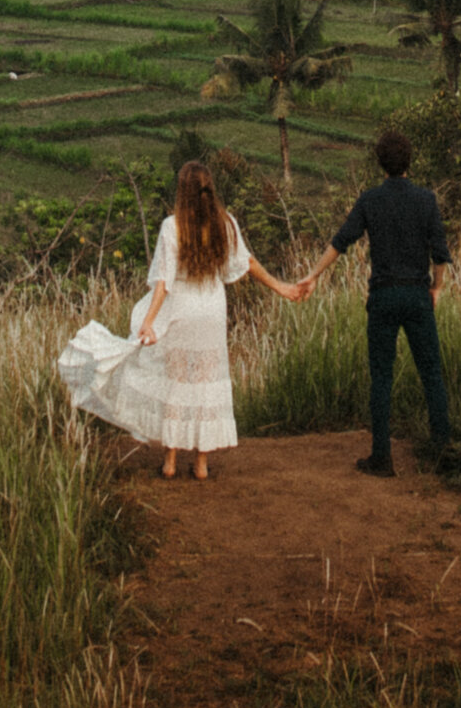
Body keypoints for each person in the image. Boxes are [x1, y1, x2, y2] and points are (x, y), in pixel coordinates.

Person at [56, 162, 305, 480]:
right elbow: (248, 263)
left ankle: (170, 462)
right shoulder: (226, 223)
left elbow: (164, 281)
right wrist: (282, 287)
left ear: (182, 192)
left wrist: (149, 321)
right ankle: (201, 464)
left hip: (181, 310)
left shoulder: (172, 226)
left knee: (176, 383)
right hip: (211, 309)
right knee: (206, 382)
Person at [294, 128, 453, 478]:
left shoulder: (370, 200)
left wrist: (314, 274)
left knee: (381, 376)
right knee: (431, 374)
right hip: (416, 294)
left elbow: (340, 242)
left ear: (381, 163)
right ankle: (443, 454)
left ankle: (382, 457)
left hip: (382, 296)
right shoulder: (426, 200)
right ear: (409, 161)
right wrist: (436, 288)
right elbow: (440, 254)